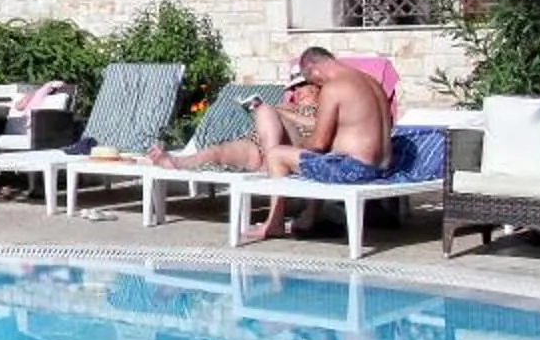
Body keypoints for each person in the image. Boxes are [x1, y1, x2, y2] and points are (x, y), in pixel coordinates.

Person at [155, 47, 393, 241]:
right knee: (270, 148)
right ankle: (300, 218)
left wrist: (296, 151)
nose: (315, 87)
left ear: (314, 70)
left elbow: (319, 144)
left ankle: (274, 223)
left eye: (310, 82)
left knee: (277, 155)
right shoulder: (371, 83)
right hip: (381, 168)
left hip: (354, 171)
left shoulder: (335, 87)